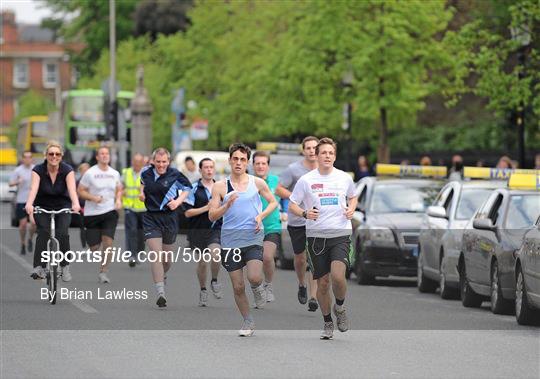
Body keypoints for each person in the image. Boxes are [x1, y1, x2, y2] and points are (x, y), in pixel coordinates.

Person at [288, 137, 357, 340]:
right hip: (316, 237)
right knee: (323, 282)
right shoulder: (306, 180)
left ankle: (341, 307)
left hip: (340, 233)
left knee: (337, 276)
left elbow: (353, 196)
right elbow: (292, 203)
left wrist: (351, 209)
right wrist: (304, 214)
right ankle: (327, 321)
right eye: (323, 153)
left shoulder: (344, 178)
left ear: (334, 156)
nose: (327, 156)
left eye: (331, 153)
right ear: (316, 156)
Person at [208, 143, 278, 337]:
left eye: (243, 159)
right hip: (230, 241)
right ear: (230, 160)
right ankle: (248, 321)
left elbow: (273, 202)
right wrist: (226, 205)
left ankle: (257, 287)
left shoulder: (257, 183)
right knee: (238, 287)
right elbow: (212, 216)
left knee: (254, 276)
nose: (239, 163)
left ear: (247, 162)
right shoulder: (220, 186)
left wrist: (260, 216)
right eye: (235, 159)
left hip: (253, 236)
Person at [140, 147, 191, 308]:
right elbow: (143, 185)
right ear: (153, 161)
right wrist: (142, 194)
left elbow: (187, 189)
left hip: (169, 218)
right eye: (158, 162)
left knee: (167, 260)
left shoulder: (175, 174)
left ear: (168, 162)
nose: (161, 165)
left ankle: (163, 275)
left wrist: (178, 201)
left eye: (164, 162)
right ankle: (160, 292)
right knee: (156, 255)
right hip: (151, 218)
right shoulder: (145, 173)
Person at [25, 141, 80, 281]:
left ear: (61, 156)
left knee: (62, 234)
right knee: (43, 232)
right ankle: (39, 267)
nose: (54, 156)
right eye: (51, 154)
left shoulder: (67, 170)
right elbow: (33, 188)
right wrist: (29, 204)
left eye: (57, 154)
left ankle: (65, 266)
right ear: (45, 155)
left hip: (63, 206)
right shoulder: (38, 170)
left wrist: (75, 204)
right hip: (42, 206)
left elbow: (72, 189)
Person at [276, 136, 319, 312]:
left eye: (314, 148)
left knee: (314, 258)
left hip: (317, 221)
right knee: (300, 258)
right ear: (303, 150)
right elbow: (278, 188)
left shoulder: (324, 170)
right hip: (297, 219)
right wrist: (294, 197)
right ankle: (302, 284)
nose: (311, 151)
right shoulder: (293, 169)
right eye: (307, 148)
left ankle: (313, 296)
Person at [78, 146, 122, 284]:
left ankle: (104, 272)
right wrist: (92, 198)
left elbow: (119, 189)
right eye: (101, 154)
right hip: (92, 213)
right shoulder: (90, 173)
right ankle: (92, 245)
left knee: (108, 242)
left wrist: (119, 200)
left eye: (106, 153)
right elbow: (81, 191)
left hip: (109, 211)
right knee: (94, 247)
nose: (104, 156)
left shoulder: (114, 173)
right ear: (97, 157)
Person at [183, 158, 223, 306]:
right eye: (206, 167)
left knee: (216, 255)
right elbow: (187, 213)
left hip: (215, 229)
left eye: (211, 167)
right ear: (200, 170)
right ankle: (203, 289)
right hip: (198, 230)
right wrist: (206, 208)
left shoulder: (220, 187)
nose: (209, 170)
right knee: (202, 262)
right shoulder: (193, 188)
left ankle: (214, 280)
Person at [252, 151, 282, 302]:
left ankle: (268, 285)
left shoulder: (275, 181)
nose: (260, 166)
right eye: (257, 163)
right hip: (252, 228)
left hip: (271, 226)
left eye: (264, 163)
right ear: (252, 165)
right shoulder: (248, 182)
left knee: (267, 257)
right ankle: (257, 289)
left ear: (268, 166)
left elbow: (290, 196)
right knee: (253, 265)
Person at [121, 153, 147, 267]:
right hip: (130, 207)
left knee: (142, 233)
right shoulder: (126, 173)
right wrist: (121, 192)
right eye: (135, 161)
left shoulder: (147, 174)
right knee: (131, 231)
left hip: (143, 208)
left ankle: (140, 251)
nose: (136, 164)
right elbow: (119, 187)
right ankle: (132, 255)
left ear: (142, 163)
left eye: (139, 162)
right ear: (132, 162)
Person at [9, 150, 35, 255]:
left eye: (29, 157)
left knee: (33, 223)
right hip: (21, 200)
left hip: (33, 201)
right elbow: (10, 183)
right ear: (23, 159)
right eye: (26, 157)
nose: (27, 159)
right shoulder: (18, 170)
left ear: (32, 159)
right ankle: (23, 243)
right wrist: (17, 182)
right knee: (23, 224)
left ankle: (30, 239)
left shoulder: (35, 169)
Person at [76, 163, 90, 247]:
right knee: (83, 228)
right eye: (83, 170)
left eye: (87, 170)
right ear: (80, 172)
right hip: (82, 208)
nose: (85, 172)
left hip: (92, 208)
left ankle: (92, 246)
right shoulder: (78, 182)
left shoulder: (93, 181)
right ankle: (84, 246)